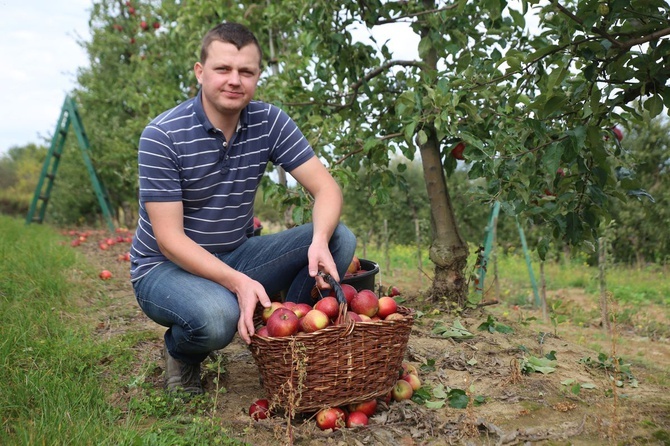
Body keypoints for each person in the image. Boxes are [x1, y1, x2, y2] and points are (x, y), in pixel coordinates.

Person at [129, 22, 357, 395]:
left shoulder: (269, 122)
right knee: (218, 318)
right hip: (165, 268)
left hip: (237, 252)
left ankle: (282, 339)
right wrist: (238, 283)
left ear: (257, 77)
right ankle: (181, 352)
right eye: (223, 69)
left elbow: (327, 189)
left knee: (338, 238)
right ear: (200, 72)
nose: (234, 80)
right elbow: (168, 240)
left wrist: (317, 240)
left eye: (245, 72)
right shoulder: (162, 136)